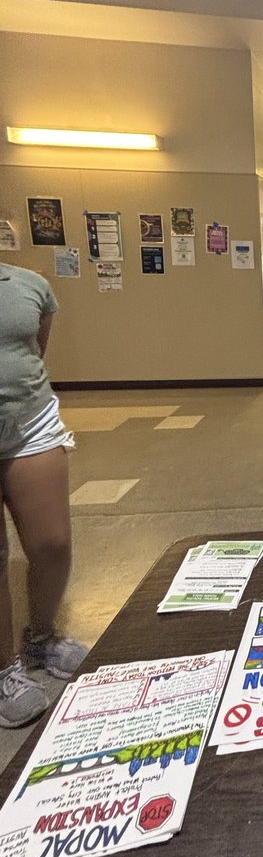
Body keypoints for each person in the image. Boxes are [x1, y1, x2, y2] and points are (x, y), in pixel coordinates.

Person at [0, 263, 87, 727]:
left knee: (52, 544)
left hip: (29, 421)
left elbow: (34, 349)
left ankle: (41, 636)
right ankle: (3, 670)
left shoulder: (29, 285)